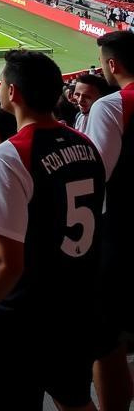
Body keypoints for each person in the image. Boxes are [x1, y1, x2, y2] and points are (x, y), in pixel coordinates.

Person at [0, 50, 104, 411]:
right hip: (73, 308)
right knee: (74, 400)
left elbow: (7, 260)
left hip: (20, 320)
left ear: (14, 93)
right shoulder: (86, 145)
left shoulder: (9, 155)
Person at [87, 30, 134, 411]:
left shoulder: (111, 106)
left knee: (106, 341)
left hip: (121, 235)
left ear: (112, 64)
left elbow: (96, 174)